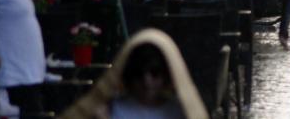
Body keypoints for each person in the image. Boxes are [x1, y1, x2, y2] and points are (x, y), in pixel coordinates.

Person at [62, 29, 207, 119]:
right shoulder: (111, 109)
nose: (146, 81)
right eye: (138, 73)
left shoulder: (179, 112)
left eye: (155, 73)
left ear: (167, 75)